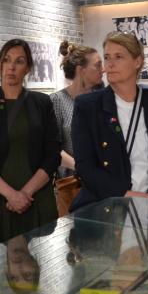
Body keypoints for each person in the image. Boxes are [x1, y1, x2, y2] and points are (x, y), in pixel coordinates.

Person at [71, 32, 148, 209]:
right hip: (109, 207)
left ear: (137, 61)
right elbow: (85, 167)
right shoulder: (88, 106)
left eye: (118, 57)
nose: (110, 64)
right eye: (107, 57)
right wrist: (127, 195)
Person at [0, 39, 61, 245]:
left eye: (19, 61)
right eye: (6, 60)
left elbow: (53, 154)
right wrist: (11, 195)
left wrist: (25, 193)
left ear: (27, 68)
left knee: (42, 257)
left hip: (37, 197)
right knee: (1, 260)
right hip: (1, 199)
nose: (11, 67)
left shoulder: (41, 103)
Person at [50, 41, 103, 215]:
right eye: (97, 65)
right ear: (81, 70)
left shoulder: (101, 100)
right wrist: (82, 168)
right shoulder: (57, 101)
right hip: (71, 185)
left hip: (102, 185)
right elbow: (53, 148)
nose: (103, 70)